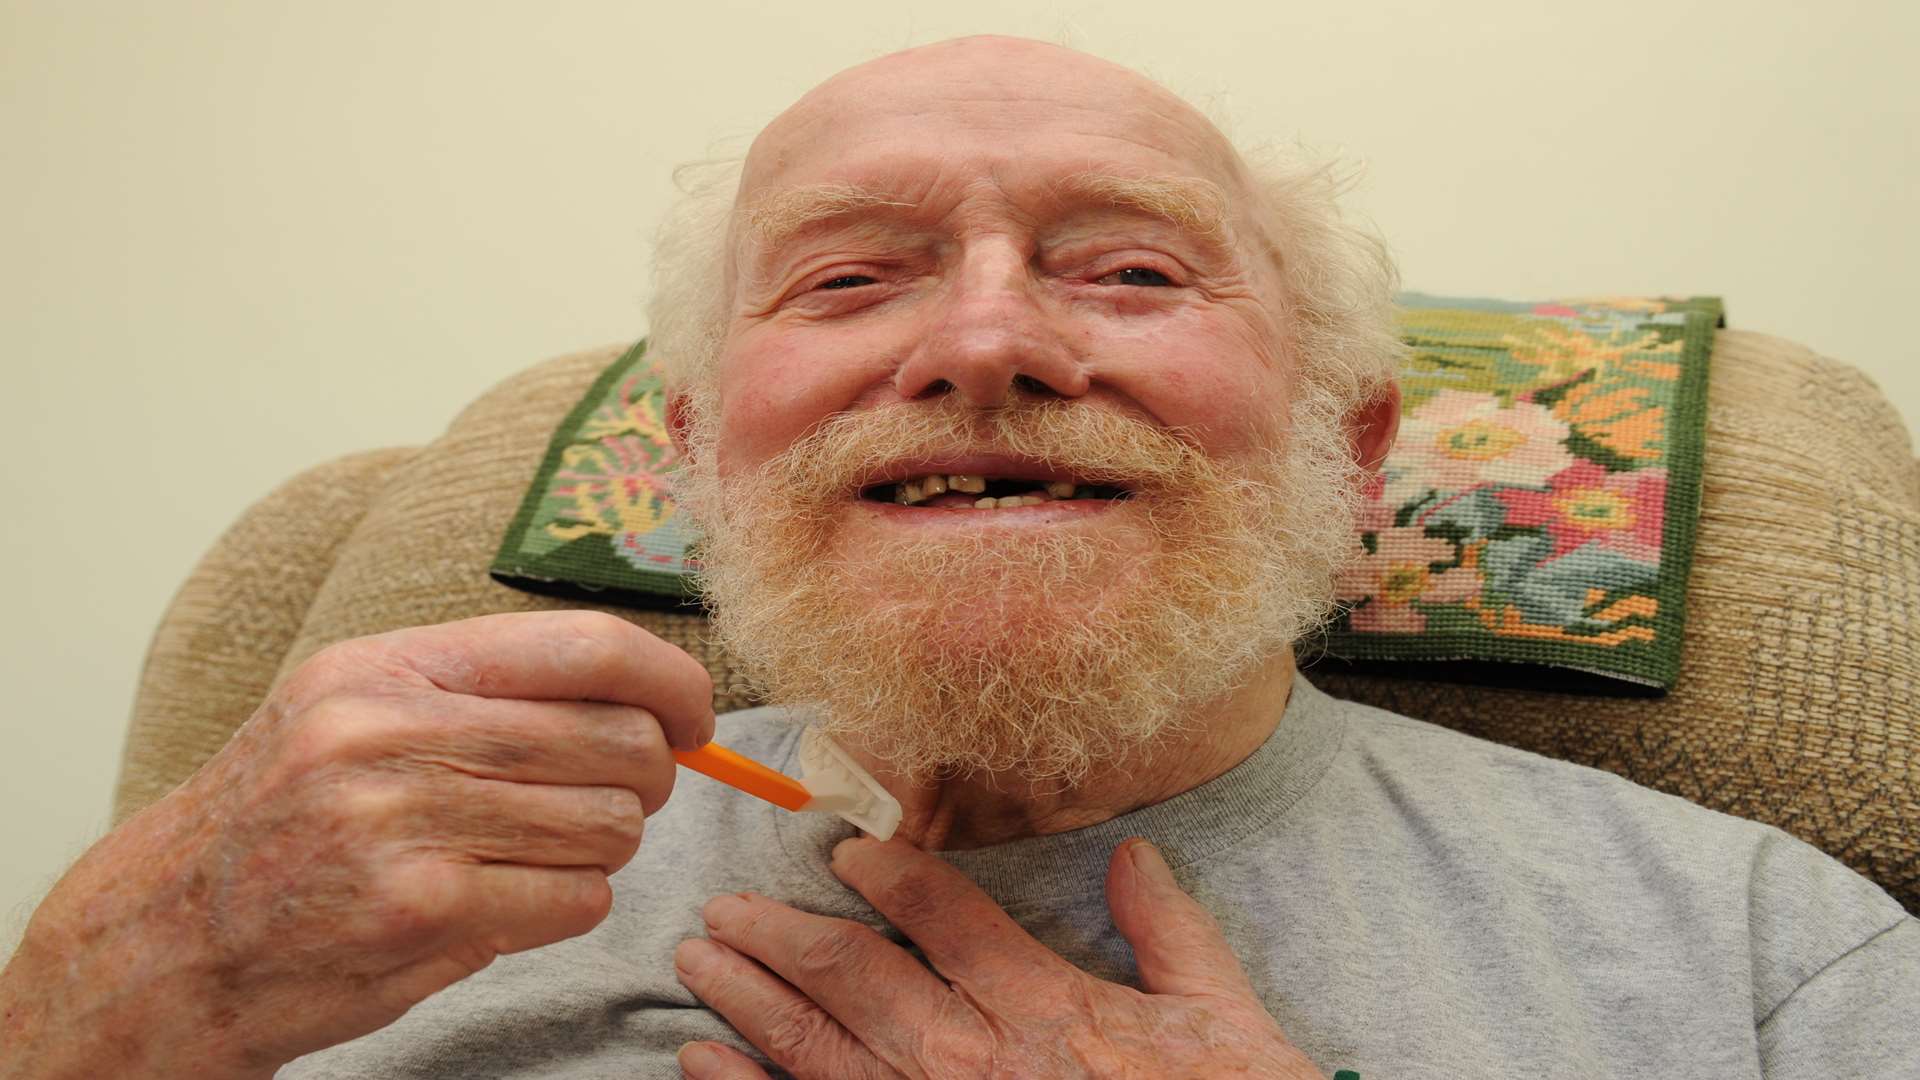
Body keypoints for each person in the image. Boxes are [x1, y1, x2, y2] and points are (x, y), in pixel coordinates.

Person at [2, 35, 1914, 1080]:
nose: (985, 343)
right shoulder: (332, 904)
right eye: (849, 280)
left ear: (1347, 449)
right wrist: (92, 1013)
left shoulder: (1770, 961)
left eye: (1132, 270)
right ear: (688, 460)